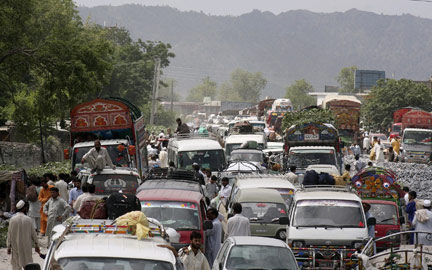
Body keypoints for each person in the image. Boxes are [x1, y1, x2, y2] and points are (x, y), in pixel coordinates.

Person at [7, 200, 40, 270]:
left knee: (16, 266)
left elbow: (9, 234)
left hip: (16, 247)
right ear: (24, 208)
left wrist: (8, 247)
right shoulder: (28, 219)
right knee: (28, 265)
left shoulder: (12, 219)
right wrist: (37, 245)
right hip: (27, 247)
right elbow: (34, 234)